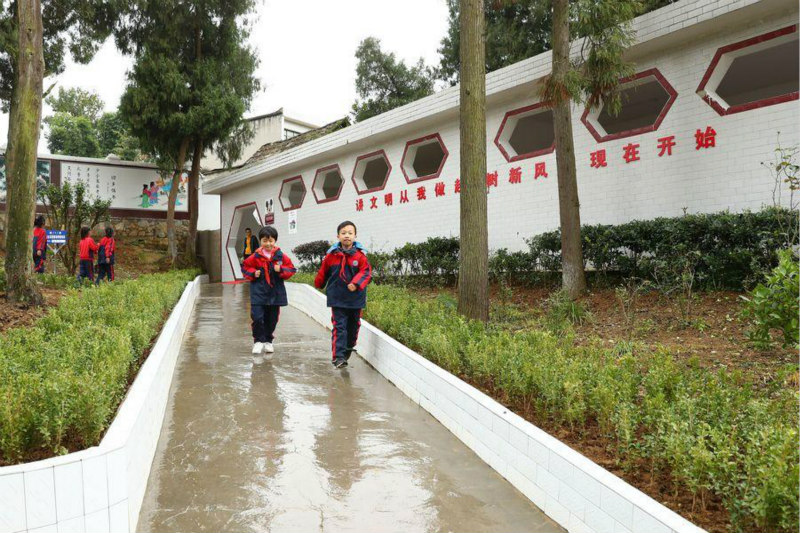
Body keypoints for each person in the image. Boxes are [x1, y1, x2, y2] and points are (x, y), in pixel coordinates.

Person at [314, 221, 372, 369]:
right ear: (338, 236)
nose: (347, 236)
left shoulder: (360, 257)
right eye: (344, 233)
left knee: (353, 327)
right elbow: (323, 272)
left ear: (355, 236)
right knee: (340, 327)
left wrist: (356, 283)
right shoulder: (331, 256)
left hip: (355, 299)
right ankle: (338, 357)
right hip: (338, 299)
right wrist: (319, 283)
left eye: (350, 233)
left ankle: (347, 348)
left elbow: (366, 272)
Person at [242, 226, 297, 355]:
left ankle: (268, 341)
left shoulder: (280, 256)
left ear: (275, 241)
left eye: (271, 241)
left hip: (275, 293)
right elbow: (245, 267)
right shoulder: (255, 256)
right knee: (257, 317)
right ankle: (258, 341)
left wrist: (281, 269)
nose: (268, 244)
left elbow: (291, 269)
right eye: (265, 241)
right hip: (258, 293)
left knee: (272, 319)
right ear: (260, 241)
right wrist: (252, 273)